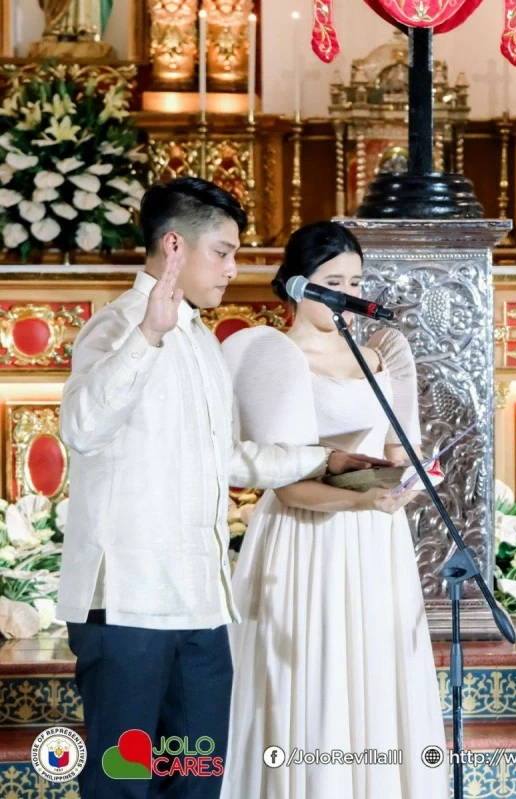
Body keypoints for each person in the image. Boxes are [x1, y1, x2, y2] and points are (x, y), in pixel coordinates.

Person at [57, 179, 388, 798]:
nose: (234, 269)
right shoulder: (117, 326)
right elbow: (81, 427)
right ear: (174, 247)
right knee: (123, 784)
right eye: (223, 252)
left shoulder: (200, 339)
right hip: (128, 603)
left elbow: (228, 458)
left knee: (197, 783)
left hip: (201, 605)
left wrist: (324, 459)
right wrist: (147, 337)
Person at [219, 222, 446, 798]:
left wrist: (409, 479)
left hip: (376, 543)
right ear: (298, 284)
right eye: (332, 281)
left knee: (374, 674)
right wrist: (363, 500)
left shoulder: (378, 353)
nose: (347, 294)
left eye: (355, 282)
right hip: (309, 539)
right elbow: (289, 487)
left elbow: (399, 449)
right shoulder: (276, 356)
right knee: (315, 677)